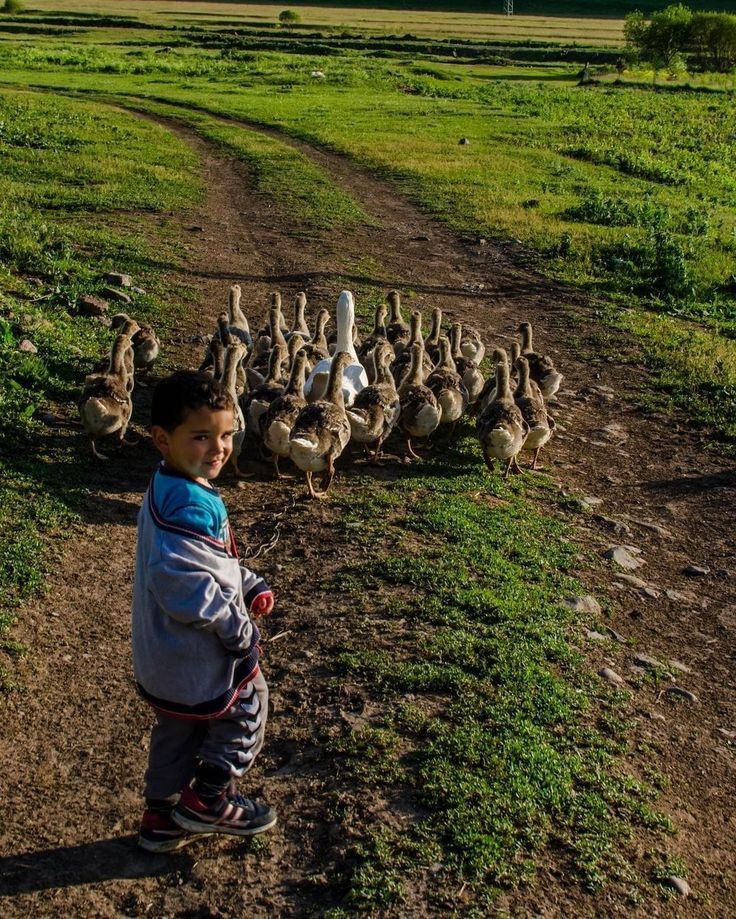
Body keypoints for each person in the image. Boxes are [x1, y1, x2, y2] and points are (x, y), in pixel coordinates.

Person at [132, 370, 276, 853]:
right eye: (201, 437)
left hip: (162, 657)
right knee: (248, 702)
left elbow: (207, 560)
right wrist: (239, 628)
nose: (219, 448)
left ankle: (161, 818)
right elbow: (185, 584)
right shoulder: (189, 506)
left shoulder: (168, 485)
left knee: (177, 732)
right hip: (194, 652)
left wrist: (247, 582)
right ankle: (208, 799)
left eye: (227, 434)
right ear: (162, 439)